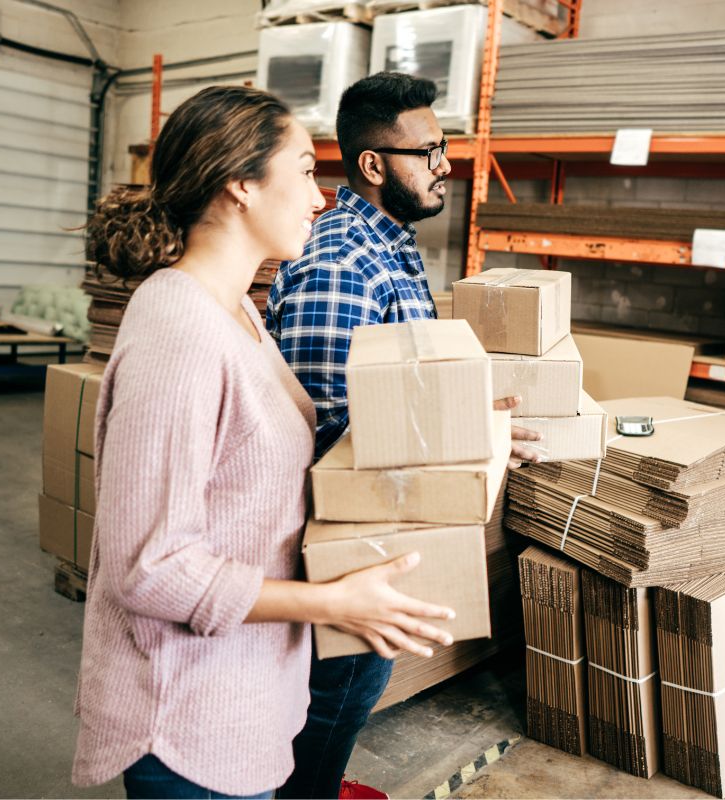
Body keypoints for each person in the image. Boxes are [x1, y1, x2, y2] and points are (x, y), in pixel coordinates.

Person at [71, 85, 455, 800]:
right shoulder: (180, 332)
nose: (321, 198)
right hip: (187, 721)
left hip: (244, 694)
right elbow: (149, 568)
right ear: (241, 184)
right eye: (307, 172)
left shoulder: (237, 314)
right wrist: (332, 602)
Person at [266, 72, 542, 800]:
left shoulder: (388, 244)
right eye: (428, 151)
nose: (446, 163)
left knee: (354, 679)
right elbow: (324, 421)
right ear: (372, 164)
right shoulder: (342, 259)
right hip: (351, 524)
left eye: (444, 145)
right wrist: (456, 446)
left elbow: (396, 392)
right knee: (342, 686)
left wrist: (472, 422)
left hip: (387, 503)